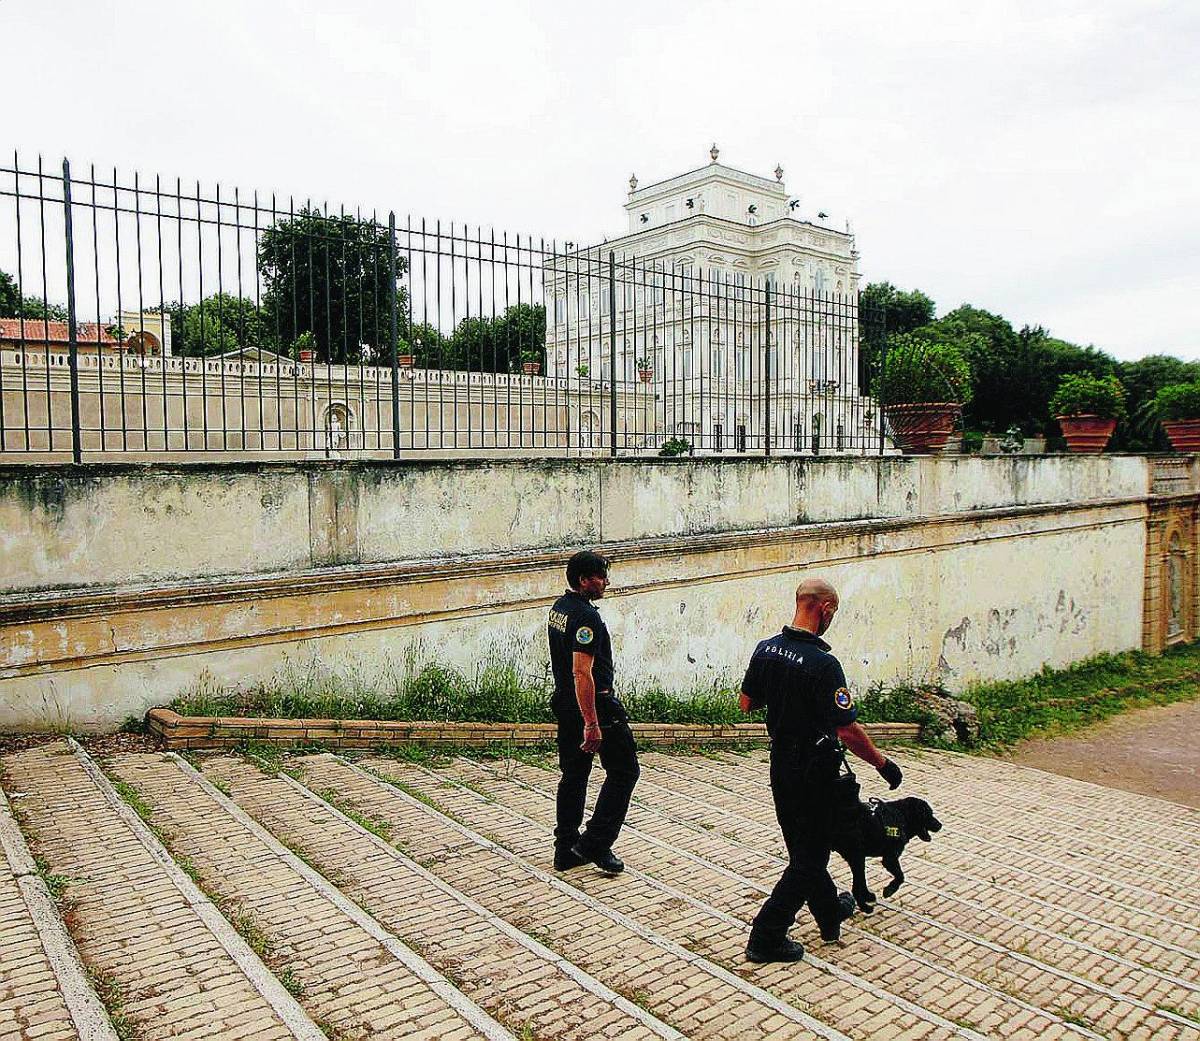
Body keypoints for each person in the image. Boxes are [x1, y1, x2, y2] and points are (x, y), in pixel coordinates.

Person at [741, 576, 904, 963]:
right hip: (816, 775)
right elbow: (847, 728)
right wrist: (883, 763)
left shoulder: (766, 650)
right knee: (810, 860)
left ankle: (830, 909)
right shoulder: (823, 663)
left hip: (781, 767)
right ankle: (766, 937)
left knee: (803, 848)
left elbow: (747, 703)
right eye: (834, 612)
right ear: (825, 608)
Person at [547, 550, 640, 875]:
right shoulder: (587, 618)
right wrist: (592, 723)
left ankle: (566, 849)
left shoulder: (559, 608)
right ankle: (595, 842)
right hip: (594, 705)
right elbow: (581, 672)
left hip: (566, 703)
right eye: (601, 576)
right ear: (585, 580)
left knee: (574, 775)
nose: (606, 582)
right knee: (625, 770)